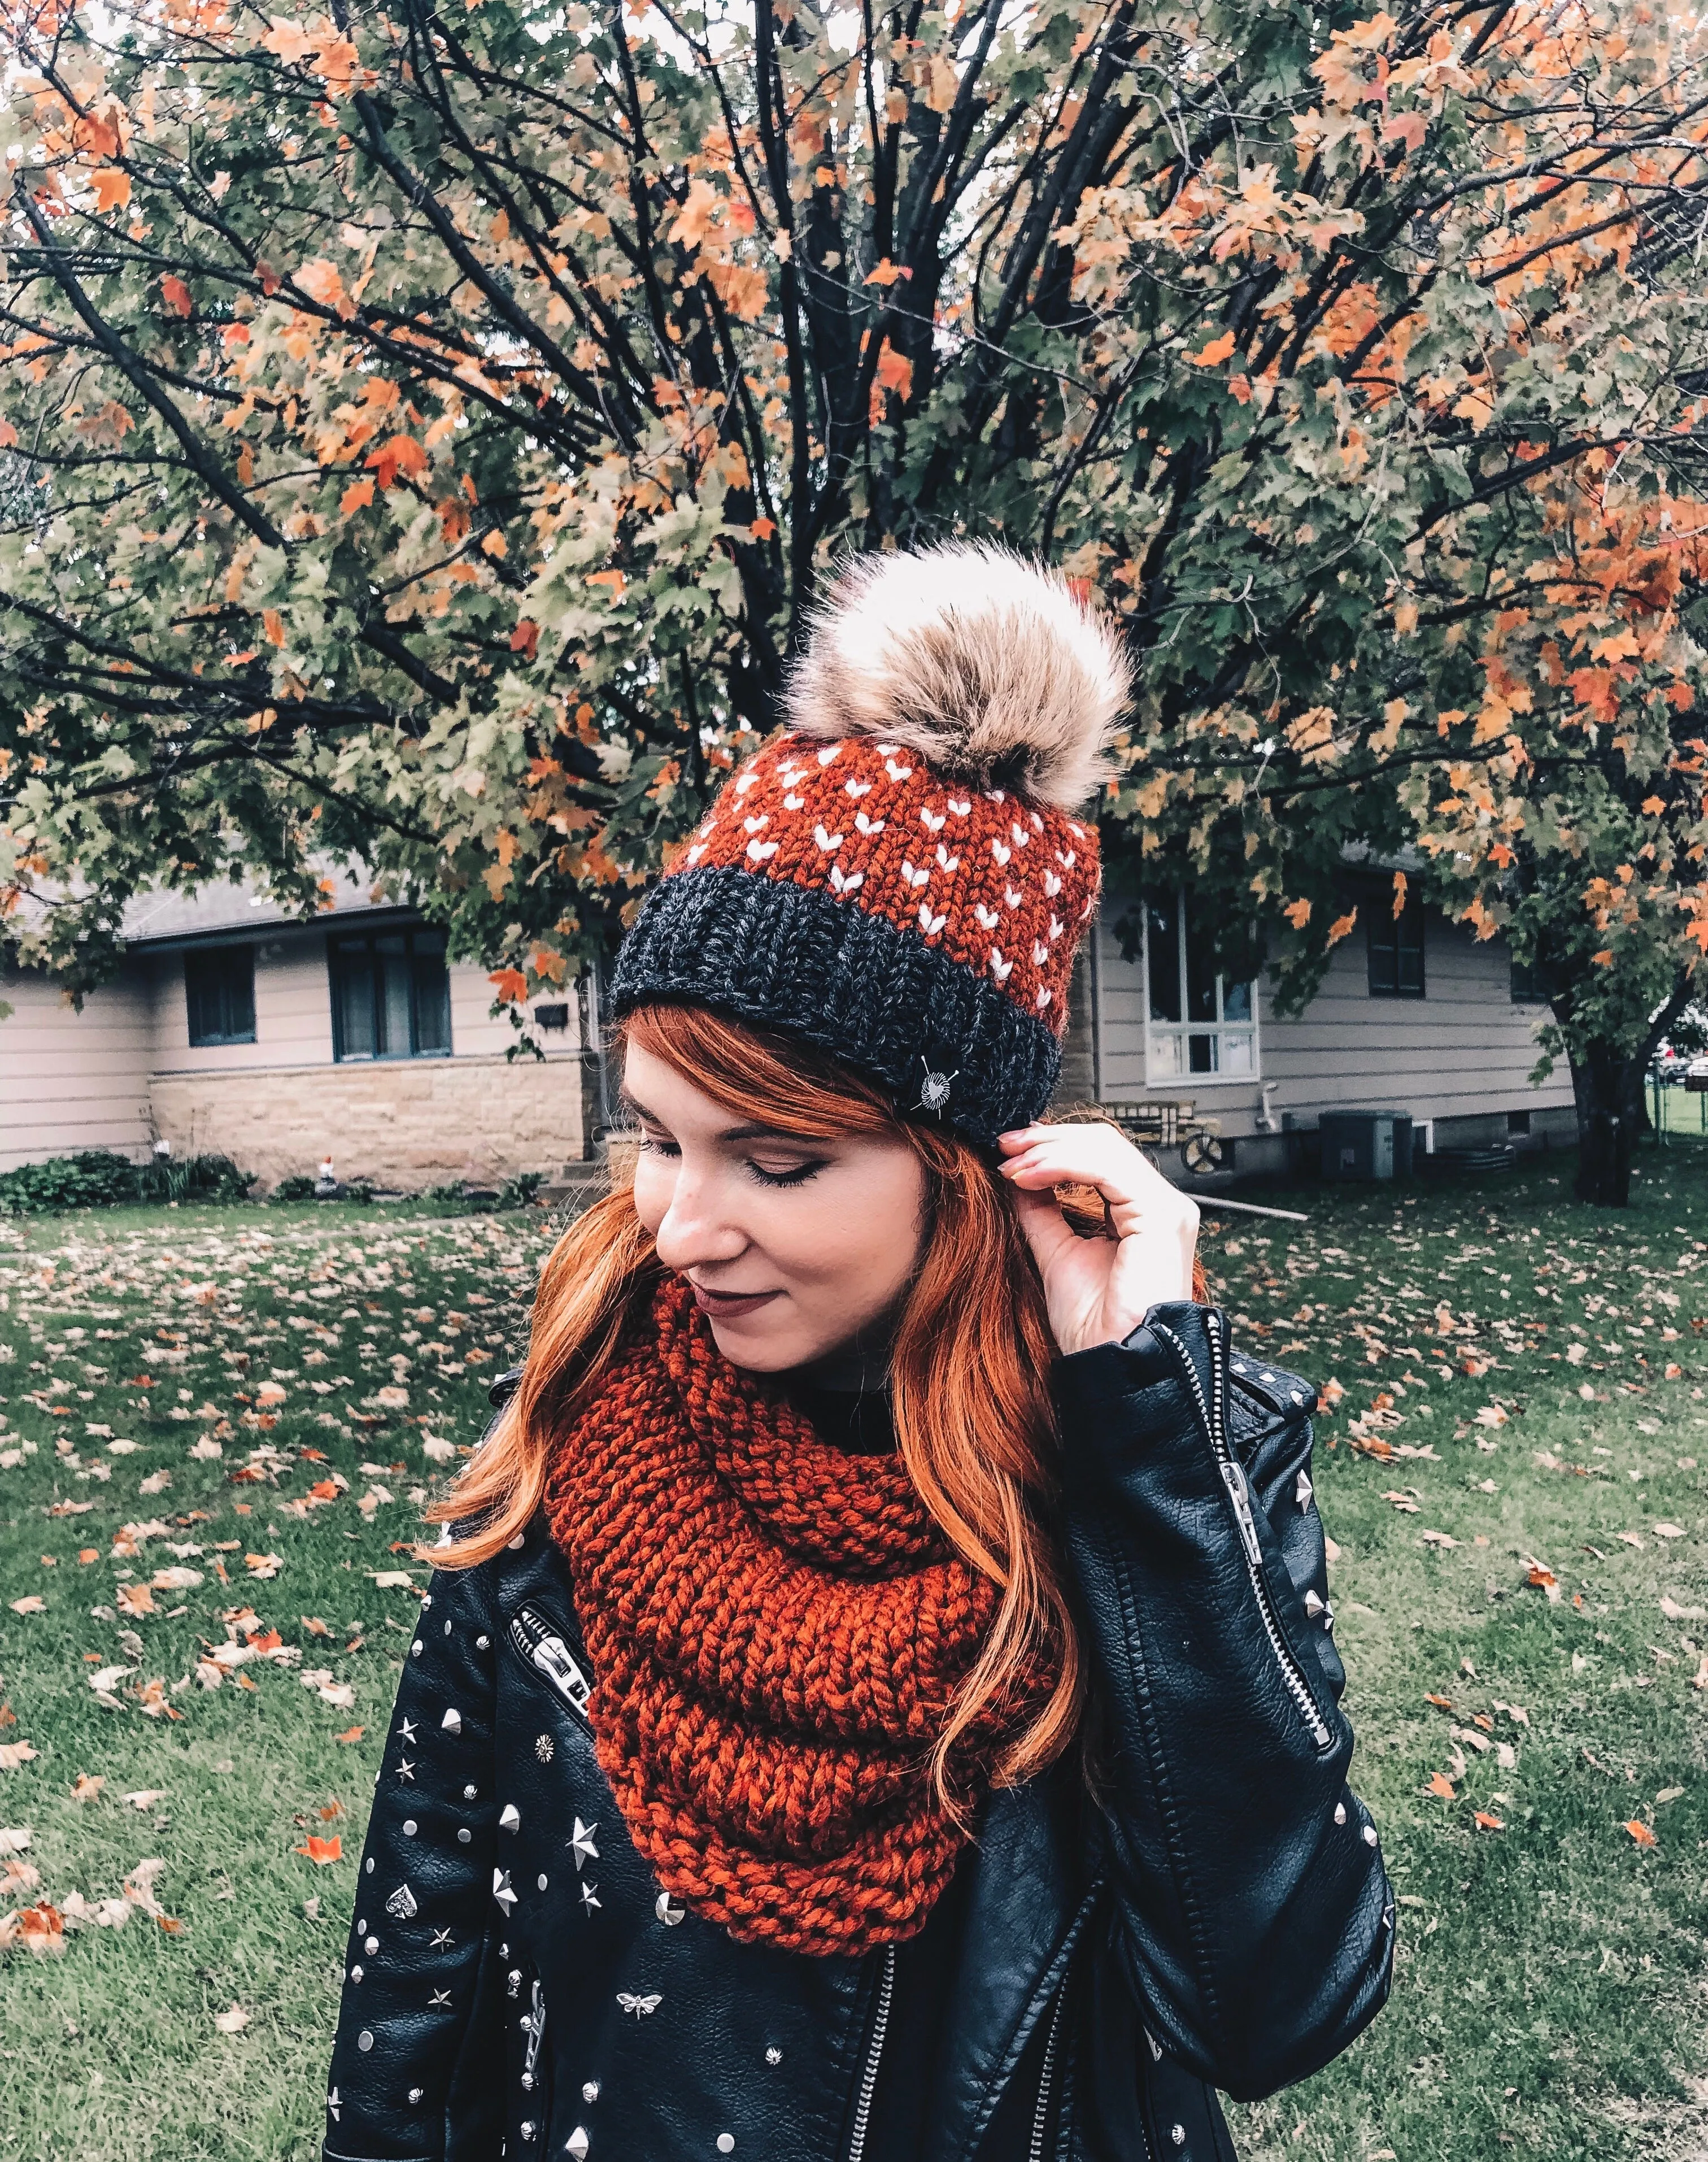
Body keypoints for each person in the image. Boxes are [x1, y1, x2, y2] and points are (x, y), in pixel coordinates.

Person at [320, 545, 1393, 2162]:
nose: (680, 1230)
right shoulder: (560, 1455)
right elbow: (421, 1995)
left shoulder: (1145, 1473)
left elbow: (1273, 2010)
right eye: (659, 1140)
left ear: (971, 1171)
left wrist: (1155, 1447)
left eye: (779, 1161)